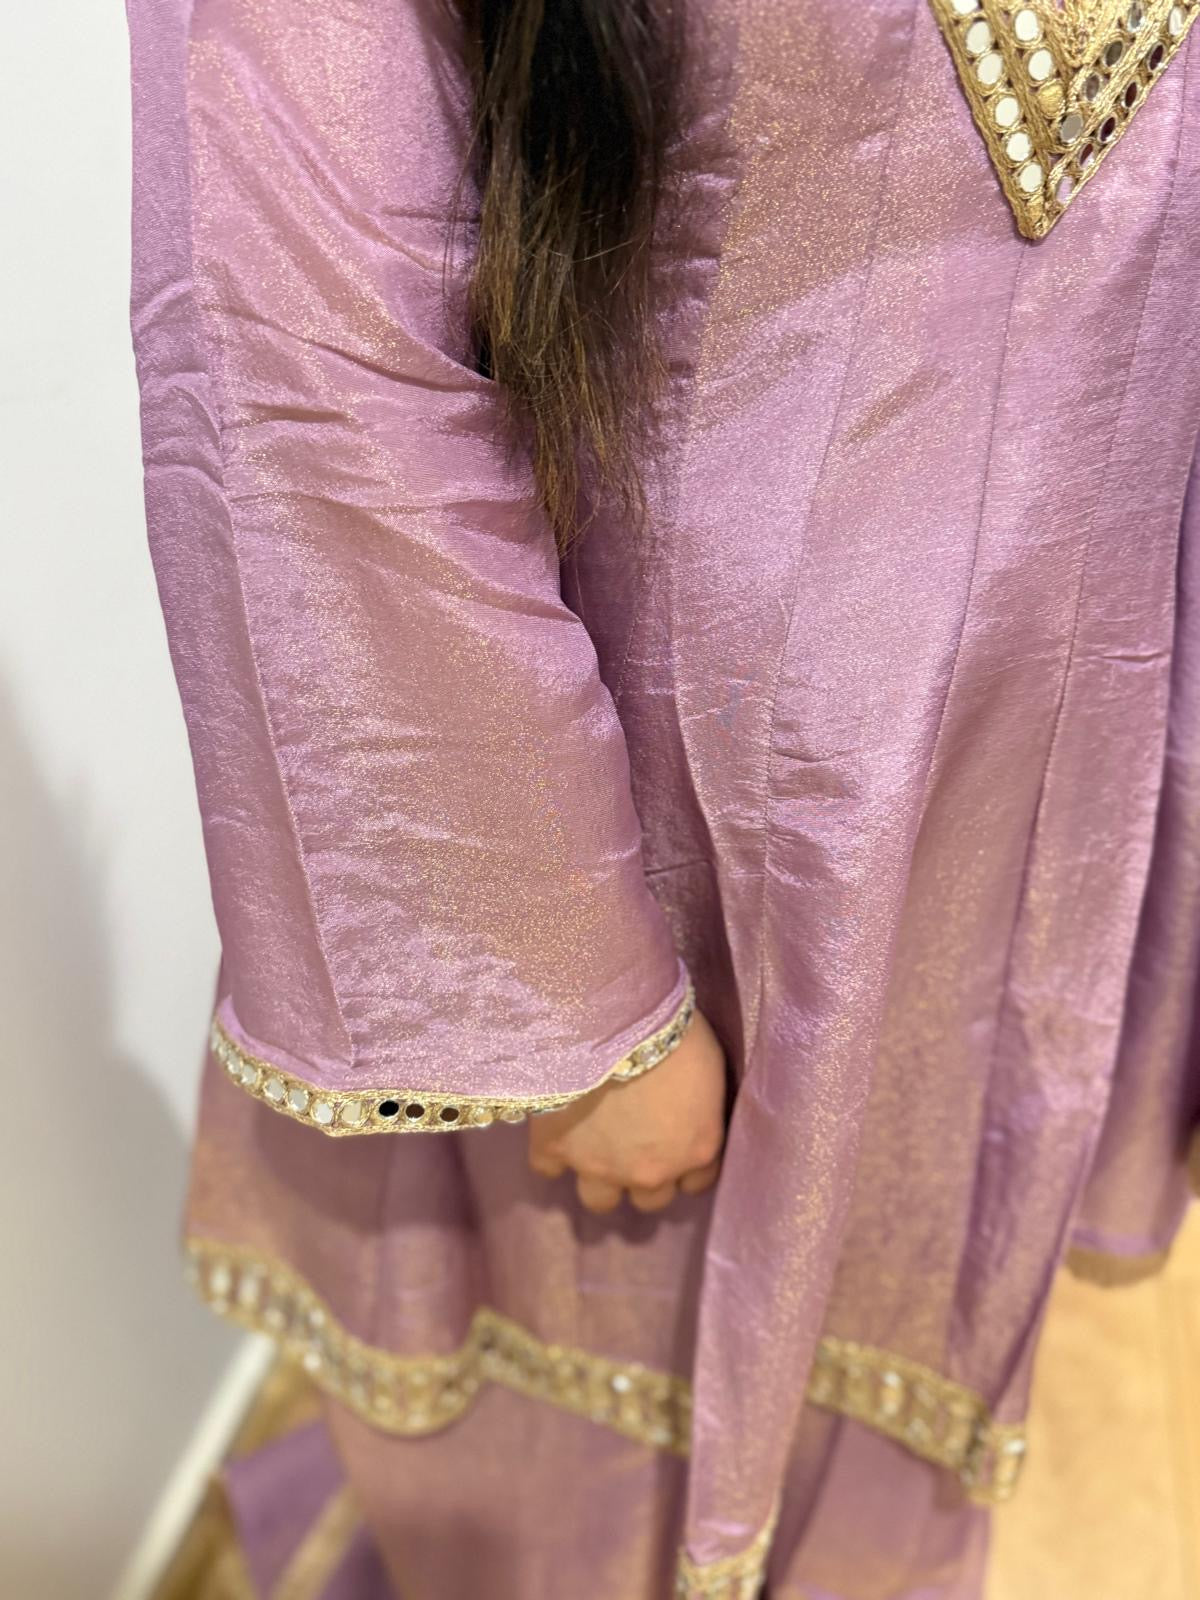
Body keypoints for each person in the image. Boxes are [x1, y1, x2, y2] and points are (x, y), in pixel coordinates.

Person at [125, 0, 1200, 1594]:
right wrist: (568, 1001)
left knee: (889, 1397)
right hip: (652, 845)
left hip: (1038, 789)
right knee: (584, 1477)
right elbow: (307, 341)